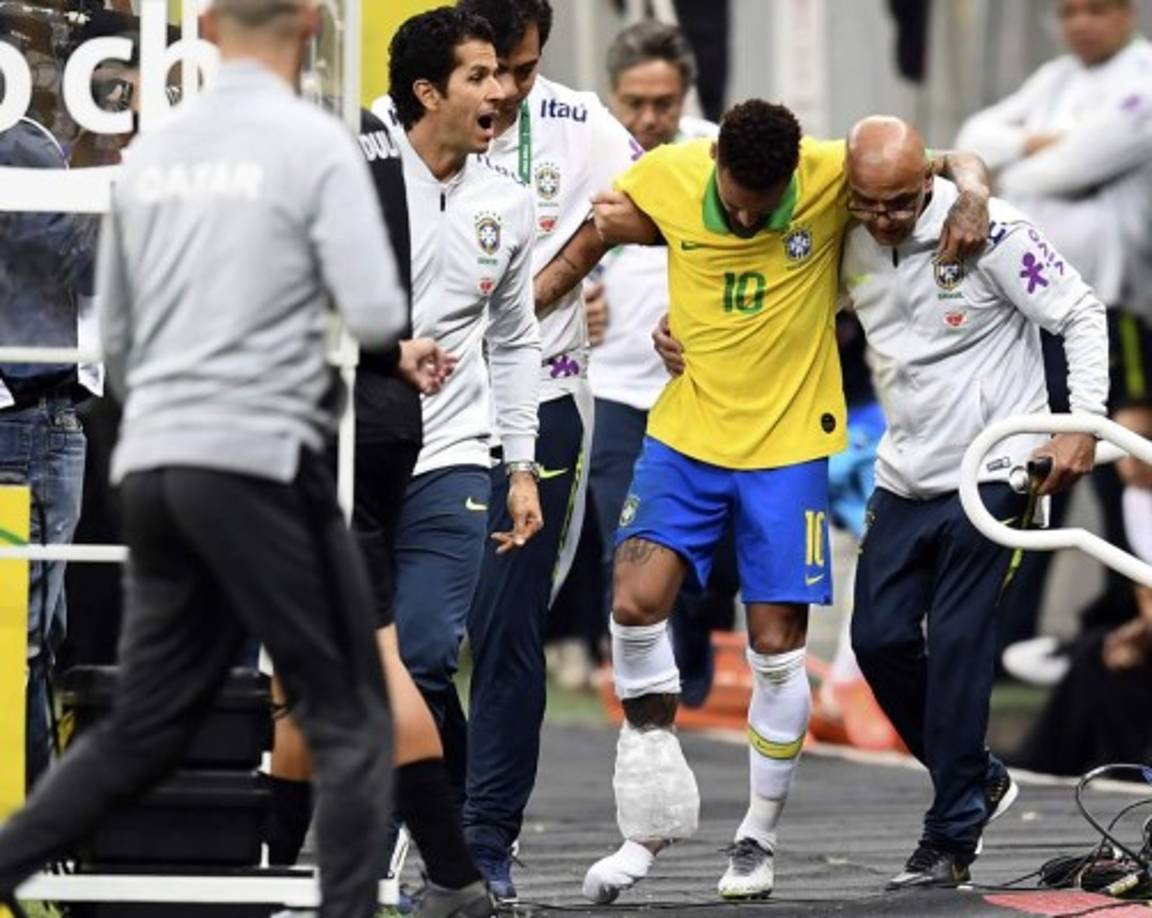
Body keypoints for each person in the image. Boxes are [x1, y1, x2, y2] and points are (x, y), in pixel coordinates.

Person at [0, 1, 408, 916]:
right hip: (258, 455)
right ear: (310, 22)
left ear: (212, 27)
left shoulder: (156, 155)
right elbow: (378, 313)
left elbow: (121, 328)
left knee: (143, 727)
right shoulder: (311, 145)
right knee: (348, 718)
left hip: (154, 461)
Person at [583, 99, 992, 903]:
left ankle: (756, 839)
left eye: (760, 205)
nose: (744, 214)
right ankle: (648, 819)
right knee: (633, 604)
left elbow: (945, 161)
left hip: (789, 445)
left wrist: (973, 195)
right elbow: (602, 218)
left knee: (774, 643)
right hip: (687, 432)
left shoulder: (836, 173)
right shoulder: (671, 171)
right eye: (734, 197)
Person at [838, 116, 1108, 887]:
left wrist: (1079, 426)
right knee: (880, 641)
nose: (885, 219)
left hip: (999, 471)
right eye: (869, 204)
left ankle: (950, 837)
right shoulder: (846, 230)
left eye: (899, 202)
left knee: (958, 645)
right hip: (905, 474)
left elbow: (1081, 315)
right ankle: (978, 777)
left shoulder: (988, 230)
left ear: (928, 179)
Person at [264, 98, 493, 918]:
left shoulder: (289, 127)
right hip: (375, 414)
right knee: (298, 668)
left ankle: (459, 875)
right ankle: (269, 869)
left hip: (332, 424)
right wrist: (390, 349)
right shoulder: (356, 122)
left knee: (374, 662)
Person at [449, 0, 641, 902]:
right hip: (426, 406)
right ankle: (430, 810)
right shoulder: (410, 114)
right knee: (416, 631)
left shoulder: (578, 121)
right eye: (493, 70)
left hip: (548, 400)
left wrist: (582, 253)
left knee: (507, 626)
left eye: (525, 69)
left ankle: (487, 838)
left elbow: (665, 195)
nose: (510, 90)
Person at [369, 6, 544, 888]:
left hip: (454, 453)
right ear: (427, 92)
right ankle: (447, 834)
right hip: (353, 451)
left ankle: (438, 843)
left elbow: (514, 340)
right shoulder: (356, 172)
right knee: (360, 664)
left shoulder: (507, 203)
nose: (503, 91)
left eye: (504, 74)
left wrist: (521, 463)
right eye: (480, 76)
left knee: (430, 650)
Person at [955, 0, 1152, 651]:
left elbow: (1069, 167)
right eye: (1069, 12)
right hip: (1039, 321)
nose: (1081, 24)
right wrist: (1023, 150)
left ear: (1125, 14)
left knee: (1125, 470)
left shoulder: (1143, 77)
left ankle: (1132, 622)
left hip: (1118, 315)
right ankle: (1012, 640)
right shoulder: (1055, 81)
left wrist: (1018, 164)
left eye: (1095, 10)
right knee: (1034, 477)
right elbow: (973, 137)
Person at [578, 19, 731, 706]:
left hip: (704, 390)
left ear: (684, 97)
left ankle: (693, 637)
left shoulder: (715, 155)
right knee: (627, 547)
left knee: (705, 558)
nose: (648, 117)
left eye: (662, 103)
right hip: (612, 390)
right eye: (634, 102)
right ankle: (646, 698)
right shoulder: (587, 157)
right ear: (613, 96)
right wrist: (572, 307)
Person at [0, 107, 97, 791]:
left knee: (32, 638)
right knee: (22, 642)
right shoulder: (22, 144)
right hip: (27, 416)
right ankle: (28, 843)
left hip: (29, 413)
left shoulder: (24, 142)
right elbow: (84, 268)